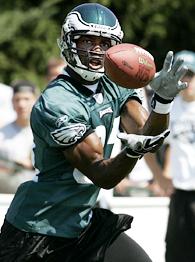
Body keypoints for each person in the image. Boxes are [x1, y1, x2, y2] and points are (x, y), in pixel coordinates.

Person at [0, 3, 188, 262]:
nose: (96, 49)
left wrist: (163, 102)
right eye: (87, 40)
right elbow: (103, 174)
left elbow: (149, 137)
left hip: (83, 222)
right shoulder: (57, 101)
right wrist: (133, 151)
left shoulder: (116, 83)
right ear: (68, 42)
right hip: (38, 229)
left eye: (104, 42)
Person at [163, 50, 195, 262]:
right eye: (181, 74)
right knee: (175, 253)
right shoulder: (169, 107)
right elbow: (167, 144)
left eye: (190, 75)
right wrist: (161, 176)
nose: (186, 80)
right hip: (179, 194)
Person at [0, 80, 37, 193]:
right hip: (7, 195)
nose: (21, 104)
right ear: (12, 102)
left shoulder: (45, 131)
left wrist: (31, 164)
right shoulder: (2, 133)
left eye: (26, 99)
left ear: (35, 100)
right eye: (17, 100)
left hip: (38, 194)